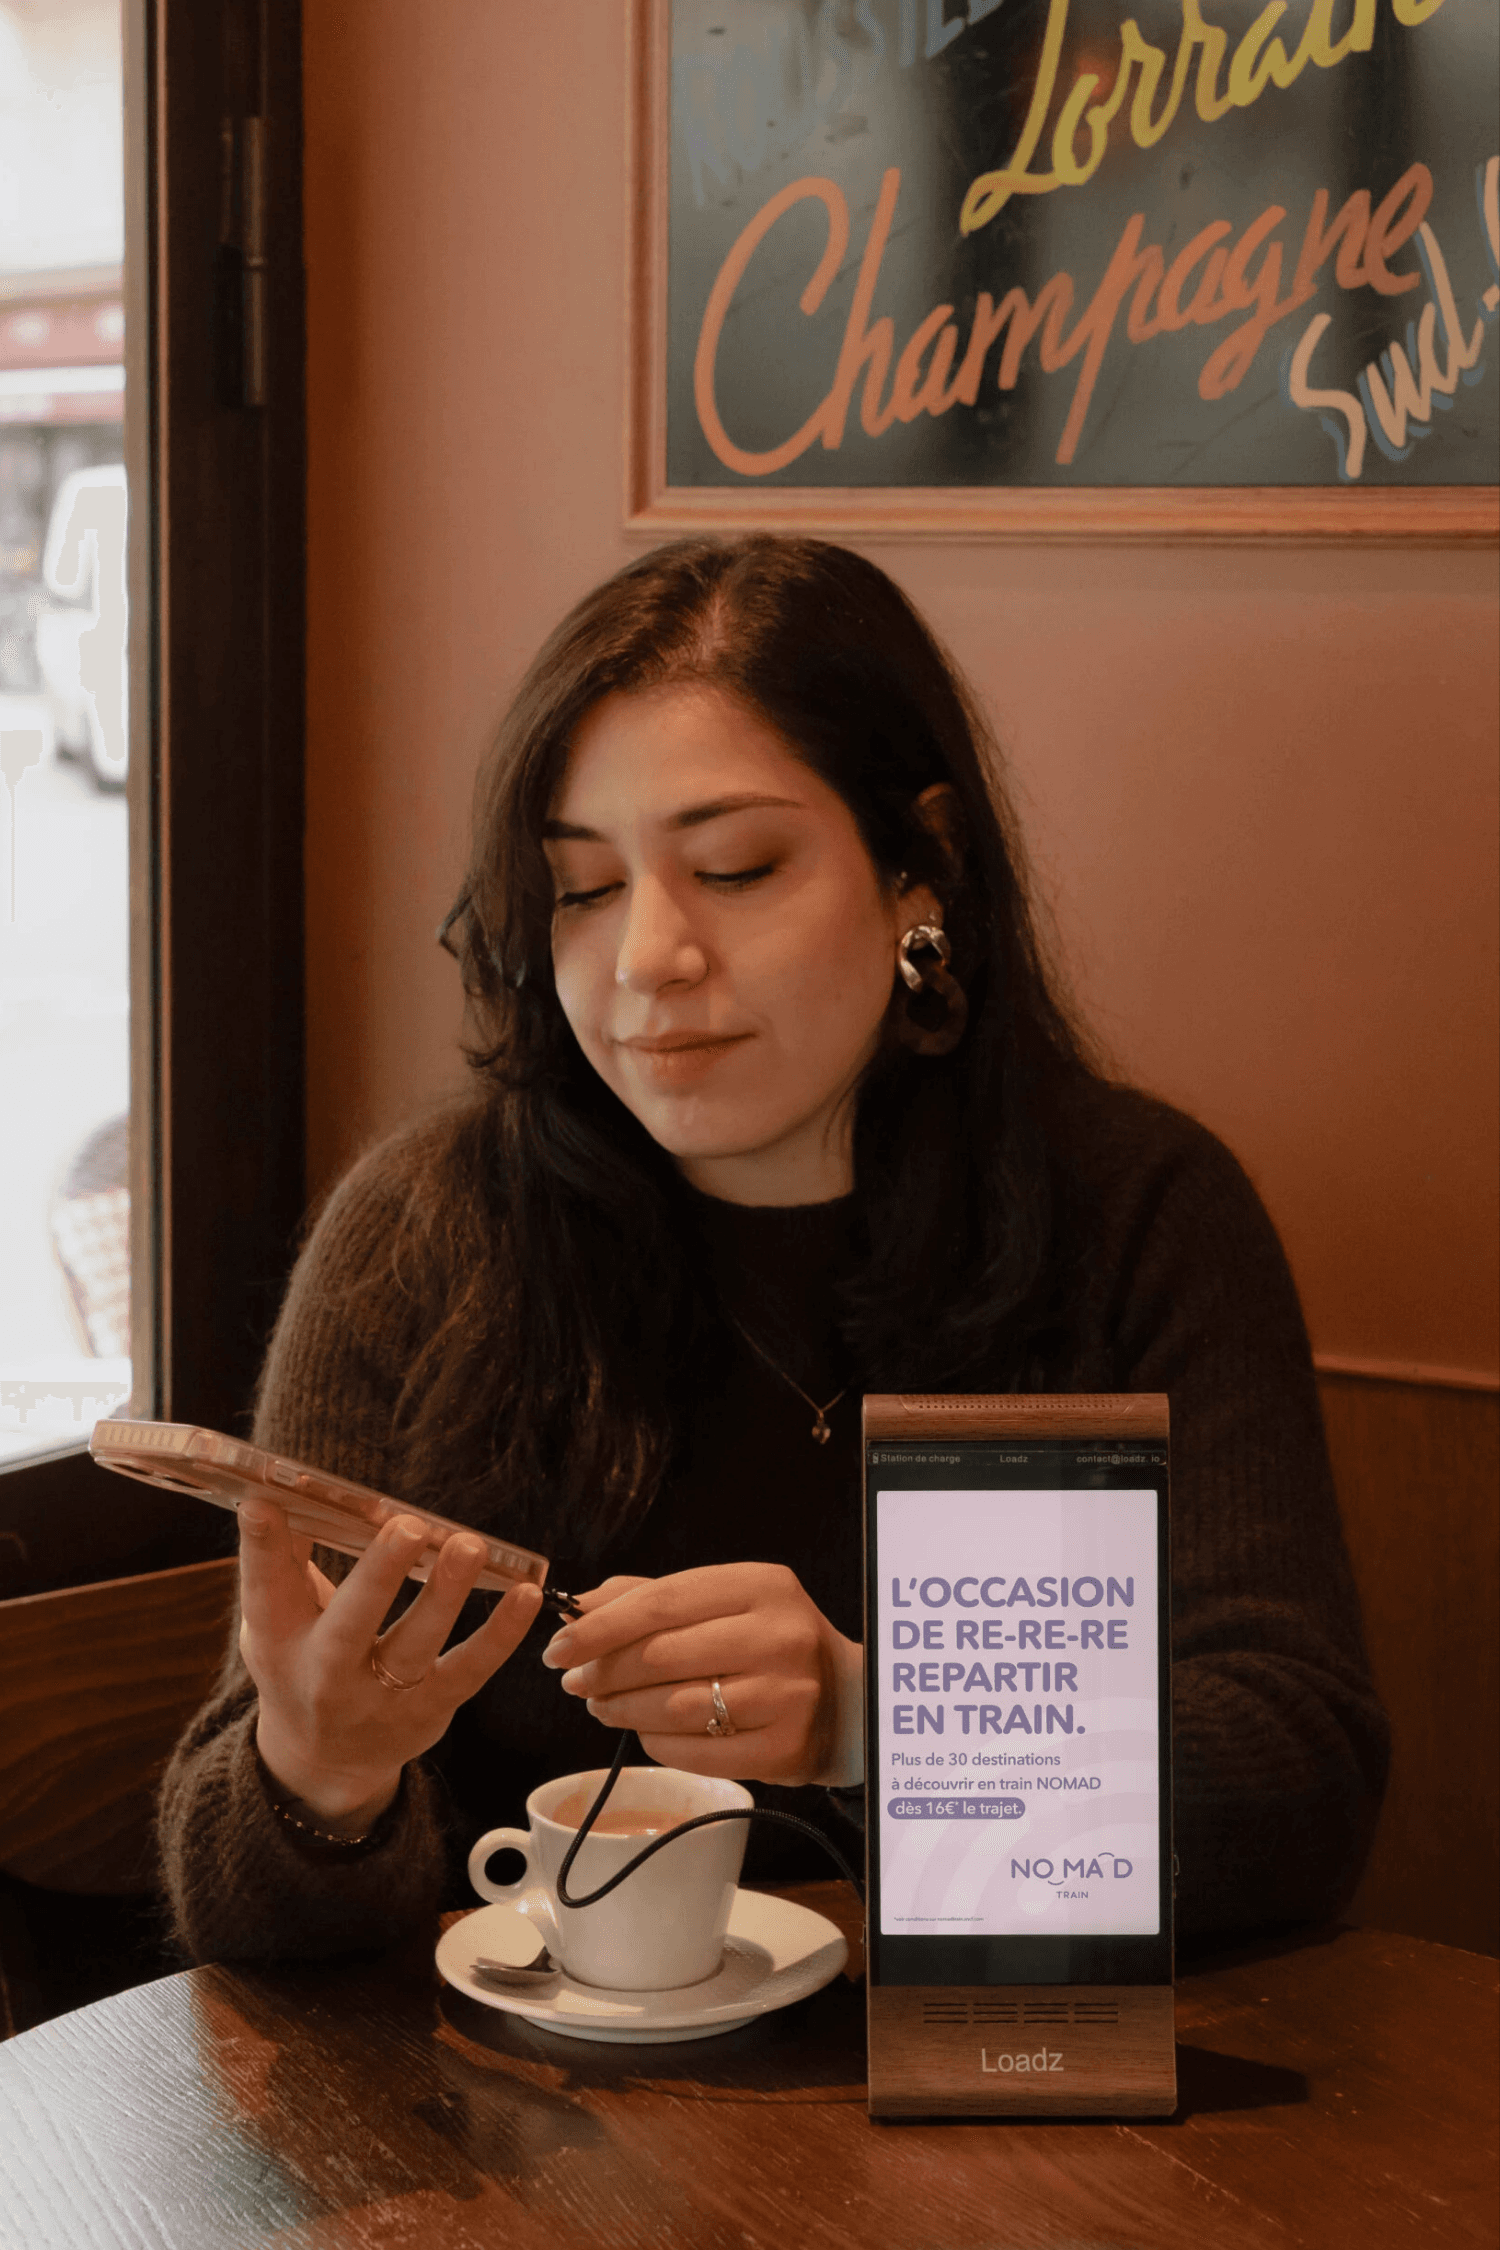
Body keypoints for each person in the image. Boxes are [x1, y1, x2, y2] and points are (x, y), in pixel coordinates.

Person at [158, 535, 1387, 1964]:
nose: (647, 958)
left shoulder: (1135, 1213)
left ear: (919, 873)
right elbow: (244, 1910)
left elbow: (1304, 1782)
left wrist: (885, 1720)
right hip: (528, 2146)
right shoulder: (429, 1231)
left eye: (735, 867)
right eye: (584, 887)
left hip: (1008, 2149)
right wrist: (321, 1777)